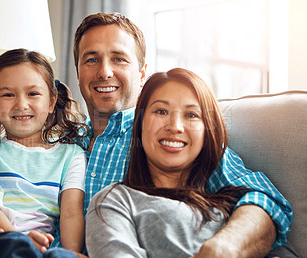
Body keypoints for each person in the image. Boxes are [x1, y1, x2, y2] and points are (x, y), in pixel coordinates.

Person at [0, 13, 292, 258]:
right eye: (91, 59)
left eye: (118, 59)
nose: (104, 71)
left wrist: (223, 249)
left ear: (141, 72)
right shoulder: (59, 139)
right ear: (77, 72)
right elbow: (2, 183)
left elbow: (265, 200)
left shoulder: (167, 137)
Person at [86, 68, 251, 257]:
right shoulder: (113, 202)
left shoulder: (236, 205)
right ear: (139, 125)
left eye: (191, 115)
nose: (175, 127)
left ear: (206, 131)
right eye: (161, 111)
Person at [0, 48, 87, 257]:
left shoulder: (72, 156)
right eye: (8, 95)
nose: (21, 104)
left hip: (41, 250)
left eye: (33, 94)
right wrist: (21, 240)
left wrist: (70, 252)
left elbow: (71, 212)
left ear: (51, 101)